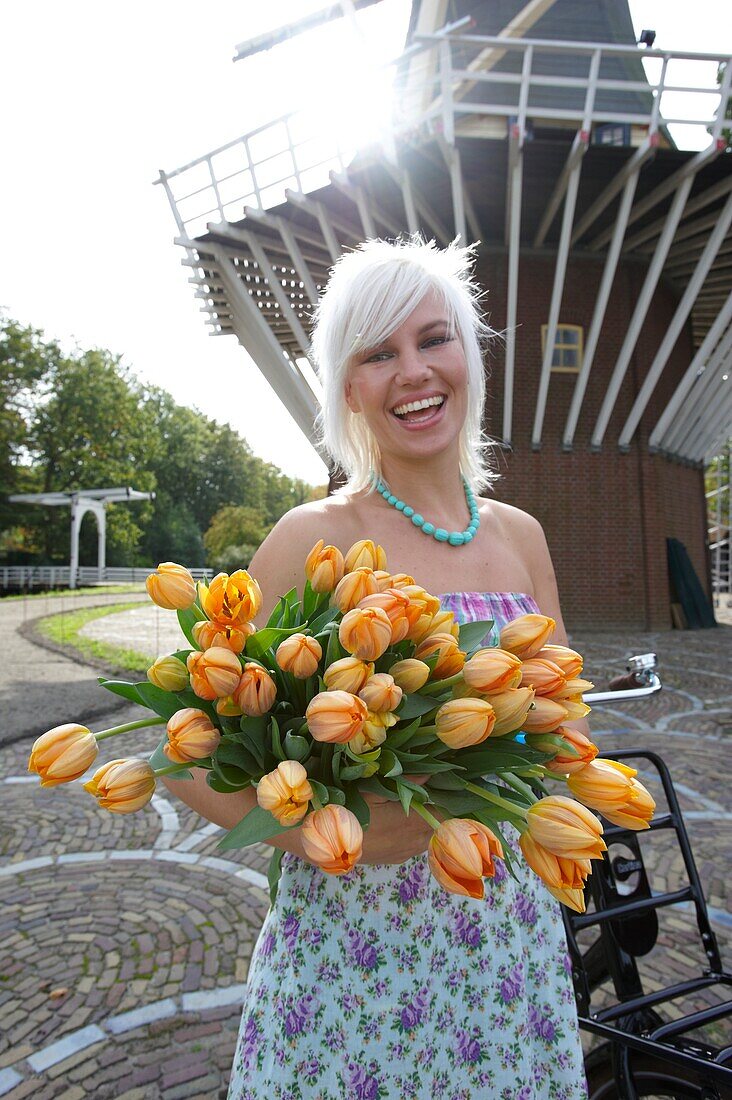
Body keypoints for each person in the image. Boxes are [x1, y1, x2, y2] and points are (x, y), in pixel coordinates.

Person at [163, 237, 589, 1098]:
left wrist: (555, 787)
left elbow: (569, 736)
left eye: (435, 338)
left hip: (503, 951)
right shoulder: (312, 538)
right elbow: (185, 750)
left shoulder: (522, 539)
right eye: (378, 353)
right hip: (354, 964)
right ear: (348, 387)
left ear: (469, 354)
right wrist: (329, 839)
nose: (413, 372)